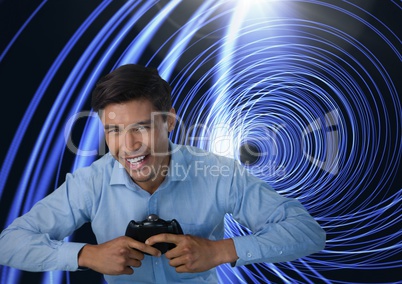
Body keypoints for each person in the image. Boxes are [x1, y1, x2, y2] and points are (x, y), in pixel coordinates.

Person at [0, 64, 326, 283]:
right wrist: (86, 255)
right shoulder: (90, 184)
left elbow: (308, 232)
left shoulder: (218, 173)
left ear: (169, 122)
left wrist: (220, 250)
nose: (128, 146)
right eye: (114, 130)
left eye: (141, 127)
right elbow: (9, 243)